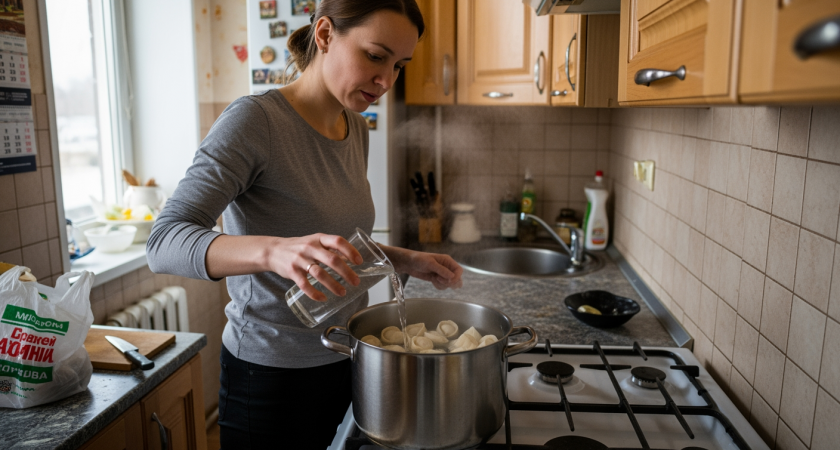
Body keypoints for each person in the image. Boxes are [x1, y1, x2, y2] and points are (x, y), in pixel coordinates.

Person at [146, 1, 463, 448]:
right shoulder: (255, 121)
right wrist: (273, 252)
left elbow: (338, 242)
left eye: (400, 65)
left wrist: (405, 259)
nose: (386, 81)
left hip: (344, 355)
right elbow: (163, 241)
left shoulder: (356, 127)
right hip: (270, 377)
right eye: (376, 56)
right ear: (326, 34)